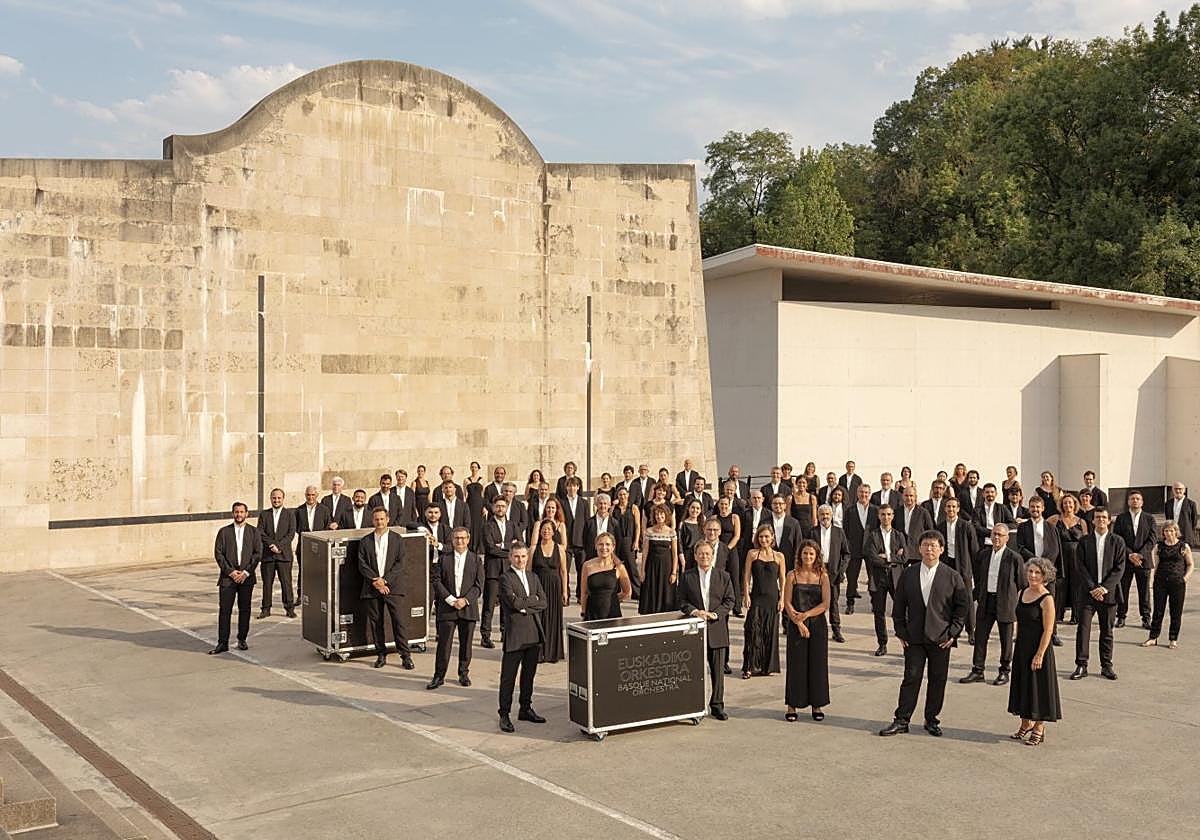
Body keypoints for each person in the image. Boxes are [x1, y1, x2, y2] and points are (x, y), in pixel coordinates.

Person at [879, 530, 970, 737]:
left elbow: (962, 608)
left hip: (941, 638)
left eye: (933, 545)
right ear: (919, 549)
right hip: (914, 637)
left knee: (937, 680)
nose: (929, 549)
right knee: (911, 678)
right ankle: (901, 720)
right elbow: (899, 605)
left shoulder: (952, 576)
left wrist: (953, 634)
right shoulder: (909, 573)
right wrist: (901, 631)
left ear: (942, 549)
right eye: (925, 545)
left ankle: (931, 719)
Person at [961, 523, 1025, 685]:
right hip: (986, 601)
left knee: (1006, 639)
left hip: (1005, 603)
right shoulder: (983, 555)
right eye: (994, 534)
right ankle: (978, 670)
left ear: (1007, 538)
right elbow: (978, 578)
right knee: (980, 637)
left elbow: (1021, 583)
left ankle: (1004, 671)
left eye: (1000, 535)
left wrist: (1018, 605)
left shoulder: (1014, 558)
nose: (996, 537)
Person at [1008, 558, 1062, 745]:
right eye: (1030, 571)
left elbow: (1048, 630)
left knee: (1039, 689)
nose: (1032, 575)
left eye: (1037, 572)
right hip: (1022, 647)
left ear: (1045, 576)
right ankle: (1025, 723)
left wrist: (1039, 654)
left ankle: (1039, 727)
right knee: (1023, 685)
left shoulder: (1047, 599)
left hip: (1039, 649)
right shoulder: (1022, 593)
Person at [679, 541, 736, 721]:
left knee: (718, 672)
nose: (704, 557)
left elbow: (730, 600)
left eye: (707, 554)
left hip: (716, 630)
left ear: (713, 556)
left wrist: (715, 614)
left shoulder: (724, 576)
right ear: (695, 556)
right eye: (701, 554)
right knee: (695, 672)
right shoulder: (687, 577)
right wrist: (695, 612)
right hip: (695, 632)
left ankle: (717, 706)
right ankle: (695, 706)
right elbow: (681, 601)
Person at [498, 542, 547, 732]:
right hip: (515, 634)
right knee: (508, 677)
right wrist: (531, 601)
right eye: (516, 556)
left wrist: (526, 606)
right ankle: (504, 714)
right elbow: (514, 603)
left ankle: (525, 708)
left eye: (523, 556)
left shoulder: (533, 576)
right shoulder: (505, 578)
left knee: (529, 675)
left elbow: (543, 602)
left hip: (533, 633)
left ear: (528, 557)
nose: (520, 560)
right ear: (510, 557)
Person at [1072, 509, 1126, 680]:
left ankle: (1106, 666)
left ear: (1109, 520)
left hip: (1109, 594)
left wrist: (1104, 588)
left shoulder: (1117, 541)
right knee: (1083, 630)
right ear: (1093, 521)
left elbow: (1120, 568)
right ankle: (1081, 665)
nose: (1101, 520)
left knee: (1107, 631)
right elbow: (1080, 566)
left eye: (1104, 517)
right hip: (1087, 593)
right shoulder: (1084, 541)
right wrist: (1093, 588)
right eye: (1097, 517)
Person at [357, 507, 414, 670]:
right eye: (376, 519)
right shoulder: (365, 541)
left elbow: (400, 563)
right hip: (372, 587)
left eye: (382, 519)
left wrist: (385, 581)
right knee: (376, 623)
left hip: (393, 587)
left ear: (387, 519)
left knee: (399, 622)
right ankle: (381, 654)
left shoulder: (397, 539)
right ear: (372, 520)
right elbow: (362, 564)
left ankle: (405, 656)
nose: (379, 522)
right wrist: (376, 581)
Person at [428, 527, 484, 690]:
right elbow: (436, 580)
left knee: (466, 644)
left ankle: (463, 674)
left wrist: (465, 600)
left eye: (463, 538)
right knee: (443, 645)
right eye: (456, 538)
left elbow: (479, 585)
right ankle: (439, 676)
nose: (460, 541)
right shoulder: (444, 559)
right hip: (447, 608)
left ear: (468, 539)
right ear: (452, 540)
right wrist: (451, 600)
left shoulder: (476, 560)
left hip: (468, 608)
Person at [784, 540, 831, 721]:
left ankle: (816, 705)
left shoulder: (823, 576)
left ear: (817, 555)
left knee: (817, 665)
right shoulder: (792, 575)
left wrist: (807, 615)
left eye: (811, 553)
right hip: (796, 624)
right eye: (805, 553)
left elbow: (825, 604)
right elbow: (787, 602)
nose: (808, 557)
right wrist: (799, 622)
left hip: (817, 624)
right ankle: (792, 706)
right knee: (796, 665)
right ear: (800, 555)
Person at [210, 502, 262, 655]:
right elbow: (219, 554)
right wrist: (231, 572)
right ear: (233, 513)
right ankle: (223, 643)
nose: (239, 514)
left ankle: (242, 639)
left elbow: (257, 554)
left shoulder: (254, 532)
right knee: (225, 610)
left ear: (247, 514)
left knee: (245, 609)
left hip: (246, 578)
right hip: (228, 578)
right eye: (236, 512)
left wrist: (246, 572)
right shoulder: (224, 532)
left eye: (241, 512)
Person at [1016, 496, 1063, 645]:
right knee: (1026, 603)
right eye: (1032, 507)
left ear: (1043, 508)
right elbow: (1020, 547)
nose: (1035, 509)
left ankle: (1052, 633)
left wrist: (1043, 565)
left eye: (1038, 507)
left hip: (1046, 571)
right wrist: (1034, 562)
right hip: (1030, 571)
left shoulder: (1051, 527)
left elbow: (1054, 549)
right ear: (1029, 508)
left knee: (1050, 602)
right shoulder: (1023, 527)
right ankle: (1023, 632)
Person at [741, 525, 784, 678]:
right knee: (753, 631)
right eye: (761, 537)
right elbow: (746, 576)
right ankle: (749, 667)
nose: (763, 539)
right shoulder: (752, 554)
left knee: (770, 632)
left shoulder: (779, 556)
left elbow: (783, 580)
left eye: (766, 536)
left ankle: (767, 667)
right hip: (757, 597)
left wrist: (782, 599)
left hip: (772, 598)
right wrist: (746, 595)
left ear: (772, 537)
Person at [1141, 521, 1193, 649]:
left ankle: (1173, 638)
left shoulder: (1183, 546)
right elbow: (1156, 565)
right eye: (1166, 531)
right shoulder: (1159, 547)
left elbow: (1190, 564)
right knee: (1158, 610)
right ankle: (1153, 637)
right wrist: (1152, 581)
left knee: (1176, 611)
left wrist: (1185, 578)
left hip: (1177, 582)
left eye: (1171, 531)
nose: (1168, 533)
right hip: (1161, 582)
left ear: (1176, 532)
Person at [865, 505, 906, 656]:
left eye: (889, 514)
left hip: (896, 577)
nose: (886, 517)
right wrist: (894, 557)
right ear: (879, 516)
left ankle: (906, 642)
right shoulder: (873, 535)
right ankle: (882, 644)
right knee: (879, 612)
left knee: (901, 612)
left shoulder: (899, 535)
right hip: (878, 578)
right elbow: (872, 557)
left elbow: (904, 557)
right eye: (883, 514)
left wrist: (887, 557)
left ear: (893, 516)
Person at [1112, 491, 1157, 629]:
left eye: (1138, 499)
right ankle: (1121, 616)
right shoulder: (1121, 518)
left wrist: (1140, 555)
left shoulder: (1149, 518)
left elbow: (1152, 539)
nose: (1135, 501)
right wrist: (1130, 554)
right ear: (1128, 502)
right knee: (1123, 589)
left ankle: (1146, 618)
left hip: (1144, 561)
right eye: (1132, 499)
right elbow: (1118, 539)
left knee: (1144, 592)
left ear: (1142, 502)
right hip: (1126, 560)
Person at [938, 497, 977, 643]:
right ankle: (953, 630)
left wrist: (973, 571)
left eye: (954, 506)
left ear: (958, 509)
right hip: (947, 565)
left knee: (967, 599)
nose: (951, 509)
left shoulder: (966, 526)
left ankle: (971, 631)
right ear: (945, 508)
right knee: (948, 599)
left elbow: (974, 550)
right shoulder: (940, 526)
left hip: (963, 566)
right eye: (948, 506)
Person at [480, 497, 516, 649]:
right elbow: (490, 548)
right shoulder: (487, 526)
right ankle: (485, 635)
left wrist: (501, 545)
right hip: (493, 571)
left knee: (506, 603)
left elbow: (519, 544)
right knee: (489, 605)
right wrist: (509, 549)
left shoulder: (512, 525)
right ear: (493, 508)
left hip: (508, 570)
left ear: (507, 507)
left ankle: (504, 632)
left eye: (503, 506)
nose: (500, 509)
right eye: (498, 506)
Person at [811, 504, 849, 643]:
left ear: (831, 516)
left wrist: (841, 570)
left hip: (834, 571)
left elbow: (846, 554)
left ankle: (836, 630)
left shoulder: (839, 532)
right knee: (815, 601)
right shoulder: (813, 532)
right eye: (822, 514)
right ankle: (815, 629)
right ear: (818, 516)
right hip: (817, 571)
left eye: (827, 514)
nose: (825, 517)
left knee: (833, 602)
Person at [532, 519, 569, 662]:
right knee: (539, 619)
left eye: (549, 529)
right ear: (540, 531)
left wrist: (564, 591)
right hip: (538, 587)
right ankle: (538, 652)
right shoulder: (533, 549)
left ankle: (553, 653)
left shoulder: (559, 549)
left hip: (554, 588)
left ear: (554, 532)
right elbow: (528, 571)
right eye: (544, 528)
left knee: (554, 618)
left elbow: (564, 571)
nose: (546, 531)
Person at [257, 488, 296, 619]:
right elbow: (260, 532)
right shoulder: (264, 514)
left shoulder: (290, 514)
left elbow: (291, 533)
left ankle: (289, 608)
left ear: (283, 499)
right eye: (274, 498)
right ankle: (266, 609)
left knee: (286, 583)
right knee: (267, 584)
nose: (276, 500)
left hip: (284, 555)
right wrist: (271, 545)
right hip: (268, 555)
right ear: (271, 498)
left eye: (279, 498)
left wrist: (278, 546)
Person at [1051, 493, 1088, 625]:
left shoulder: (1081, 521)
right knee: (1060, 584)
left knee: (1076, 585)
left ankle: (1076, 615)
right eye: (1065, 503)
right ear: (1061, 505)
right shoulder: (1056, 519)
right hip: (1060, 556)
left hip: (1077, 557)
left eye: (1070, 503)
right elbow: (1041, 526)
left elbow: (1086, 541)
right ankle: (1058, 614)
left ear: (1074, 505)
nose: (1067, 505)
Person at [843, 484, 878, 614]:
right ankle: (850, 603)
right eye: (861, 492)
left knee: (873, 578)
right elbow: (845, 530)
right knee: (852, 578)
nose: (864, 495)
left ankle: (875, 603)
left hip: (871, 549)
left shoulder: (875, 510)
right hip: (854, 549)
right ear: (857, 494)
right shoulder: (850, 510)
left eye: (866, 492)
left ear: (869, 494)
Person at [640, 504, 680, 614]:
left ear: (666, 515)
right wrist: (642, 571)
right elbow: (645, 552)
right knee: (651, 591)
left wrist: (674, 572)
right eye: (657, 514)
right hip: (652, 566)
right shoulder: (649, 531)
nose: (659, 516)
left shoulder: (672, 532)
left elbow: (675, 554)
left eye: (662, 514)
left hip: (667, 567)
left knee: (666, 591)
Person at [580, 533, 630, 620]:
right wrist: (583, 611)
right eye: (600, 544)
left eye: (607, 544)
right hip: (592, 613)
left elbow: (627, 592)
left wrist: (612, 599)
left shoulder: (619, 567)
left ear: (613, 547)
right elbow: (584, 592)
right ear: (596, 546)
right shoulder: (587, 565)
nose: (604, 547)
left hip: (612, 613)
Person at [294, 485, 331, 601]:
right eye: (308, 495)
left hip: (319, 546)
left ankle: (318, 593)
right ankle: (301, 595)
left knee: (319, 570)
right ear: (305, 495)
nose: (310, 497)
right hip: (303, 545)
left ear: (317, 495)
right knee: (303, 570)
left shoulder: (324, 510)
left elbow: (327, 526)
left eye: (312, 495)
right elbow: (296, 527)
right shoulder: (299, 510)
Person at [714, 495, 743, 615]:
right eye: (721, 504)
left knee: (734, 578)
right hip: (717, 550)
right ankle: (719, 606)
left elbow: (737, 536)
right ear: (718, 505)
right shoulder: (714, 518)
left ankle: (737, 608)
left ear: (729, 505)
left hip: (731, 551)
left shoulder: (735, 517)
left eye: (726, 504)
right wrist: (720, 549)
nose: (724, 506)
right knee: (719, 578)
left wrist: (727, 549)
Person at [613, 486, 642, 598]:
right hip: (616, 540)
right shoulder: (614, 509)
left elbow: (638, 526)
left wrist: (636, 541)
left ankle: (637, 592)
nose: (622, 497)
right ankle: (616, 592)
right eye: (620, 494)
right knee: (616, 566)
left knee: (631, 567)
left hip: (628, 540)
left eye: (624, 494)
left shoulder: (634, 508)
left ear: (628, 495)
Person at [561, 477, 587, 601]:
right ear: (566, 487)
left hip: (580, 541)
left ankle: (580, 595)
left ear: (578, 487)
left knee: (581, 570)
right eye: (569, 486)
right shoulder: (561, 502)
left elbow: (587, 522)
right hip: (566, 542)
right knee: (564, 569)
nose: (572, 488)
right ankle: (565, 595)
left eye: (574, 486)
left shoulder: (584, 502)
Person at [583, 493, 621, 573]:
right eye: (600, 503)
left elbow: (618, 541)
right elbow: (584, 540)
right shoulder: (589, 523)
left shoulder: (615, 523)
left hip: (609, 557)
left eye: (605, 503)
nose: (603, 506)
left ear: (609, 505)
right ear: (596, 505)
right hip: (592, 557)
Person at [896, 486, 934, 561]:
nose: (909, 498)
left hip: (917, 553)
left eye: (911, 496)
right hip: (900, 552)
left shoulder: (923, 512)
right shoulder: (897, 512)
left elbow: (930, 532)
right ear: (902, 496)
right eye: (906, 495)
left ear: (915, 497)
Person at [768, 494, 801, 571]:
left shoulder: (794, 523)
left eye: (780, 503)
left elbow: (798, 543)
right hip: (769, 562)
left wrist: (797, 562)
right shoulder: (764, 522)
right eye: (775, 503)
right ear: (771, 506)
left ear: (785, 505)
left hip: (788, 562)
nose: (778, 506)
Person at [1165, 482, 1198, 547]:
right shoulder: (1168, 503)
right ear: (1173, 490)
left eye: (1180, 489)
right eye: (1175, 489)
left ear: (1184, 490)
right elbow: (1167, 519)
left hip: (1185, 536)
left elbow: (1194, 521)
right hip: (1172, 536)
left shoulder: (1191, 504)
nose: (1178, 491)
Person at [464, 463, 485, 550]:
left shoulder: (482, 480)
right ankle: (471, 545)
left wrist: (484, 507)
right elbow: (465, 494)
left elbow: (483, 494)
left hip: (479, 504)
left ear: (478, 468)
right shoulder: (466, 480)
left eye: (475, 467)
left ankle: (479, 546)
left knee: (479, 524)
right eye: (472, 467)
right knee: (471, 523)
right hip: (470, 504)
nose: (474, 468)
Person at [677, 499, 705, 565]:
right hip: (687, 556)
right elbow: (679, 543)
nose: (695, 510)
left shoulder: (702, 524)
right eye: (693, 507)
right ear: (688, 508)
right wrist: (682, 558)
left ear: (700, 510)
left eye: (697, 508)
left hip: (700, 555)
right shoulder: (682, 524)